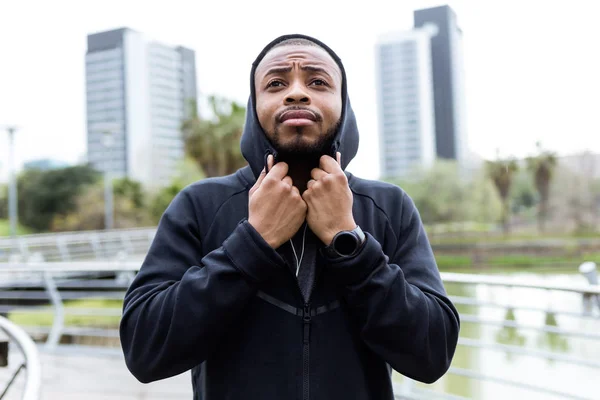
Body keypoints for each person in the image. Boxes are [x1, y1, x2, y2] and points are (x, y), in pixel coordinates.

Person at [119, 34, 460, 400]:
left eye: (318, 82)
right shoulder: (199, 204)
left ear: (343, 104)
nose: (296, 93)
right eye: (276, 83)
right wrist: (253, 242)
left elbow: (432, 354)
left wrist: (351, 244)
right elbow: (145, 350)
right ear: (255, 107)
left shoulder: (389, 206)